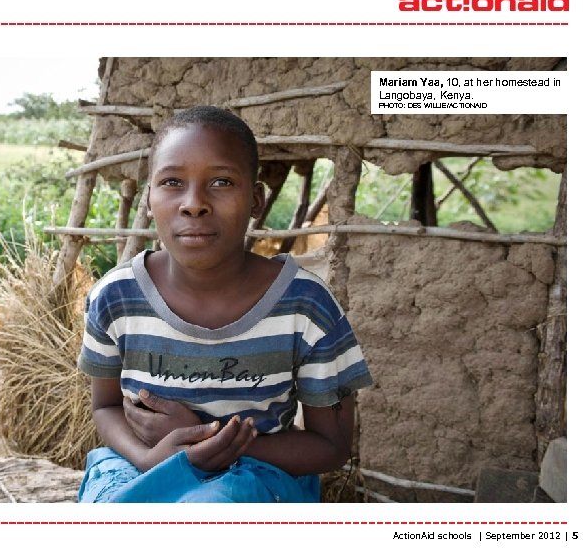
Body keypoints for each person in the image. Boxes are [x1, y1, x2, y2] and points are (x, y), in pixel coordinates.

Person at [76, 105, 373, 502]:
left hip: (258, 473)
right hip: (140, 462)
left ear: (256, 200)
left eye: (220, 181)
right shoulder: (115, 298)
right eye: (171, 182)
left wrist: (209, 442)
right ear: (148, 198)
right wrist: (152, 459)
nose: (193, 203)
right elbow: (105, 409)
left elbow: (332, 446)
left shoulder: (304, 308)